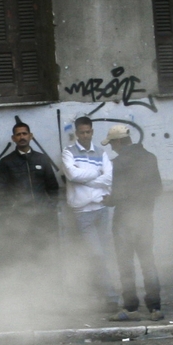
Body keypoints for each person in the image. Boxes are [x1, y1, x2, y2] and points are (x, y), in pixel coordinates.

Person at [60, 115, 119, 315]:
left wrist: (86, 178)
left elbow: (109, 177)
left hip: (101, 210)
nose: (85, 135)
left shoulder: (101, 152)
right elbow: (73, 175)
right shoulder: (68, 152)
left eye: (88, 132)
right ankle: (111, 298)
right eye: (82, 132)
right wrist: (97, 174)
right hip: (82, 212)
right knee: (96, 255)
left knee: (103, 255)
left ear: (92, 132)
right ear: (77, 133)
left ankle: (102, 297)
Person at [105, 127, 163, 320]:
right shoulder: (151, 157)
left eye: (112, 143)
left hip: (124, 219)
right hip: (146, 218)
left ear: (119, 142)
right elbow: (158, 189)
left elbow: (115, 196)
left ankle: (131, 309)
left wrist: (107, 200)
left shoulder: (118, 163)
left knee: (126, 264)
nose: (112, 148)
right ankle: (156, 308)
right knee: (148, 262)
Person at [0, 121, 61, 256]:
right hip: (19, 220)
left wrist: (49, 207)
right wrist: (10, 213)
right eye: (18, 134)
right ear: (13, 138)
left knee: (46, 254)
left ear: (31, 136)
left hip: (43, 218)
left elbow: (53, 187)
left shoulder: (42, 159)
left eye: (24, 134)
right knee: (22, 256)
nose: (22, 137)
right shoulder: (6, 162)